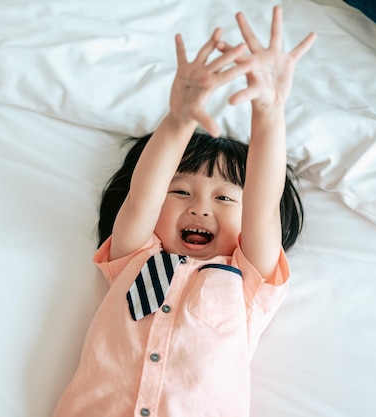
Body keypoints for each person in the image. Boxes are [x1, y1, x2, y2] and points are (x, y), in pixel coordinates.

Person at [52, 6, 316, 417]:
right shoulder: (133, 257)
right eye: (180, 191)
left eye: (224, 198)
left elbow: (262, 209)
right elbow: (142, 195)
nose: (200, 208)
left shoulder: (248, 281)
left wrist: (269, 110)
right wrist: (178, 119)